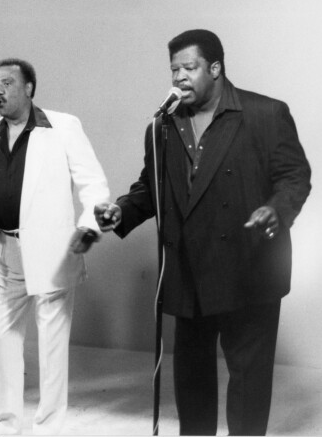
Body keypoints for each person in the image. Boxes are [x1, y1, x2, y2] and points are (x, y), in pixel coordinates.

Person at [95, 29, 311, 436]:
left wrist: (276, 211)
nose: (179, 77)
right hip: (188, 272)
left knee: (248, 383)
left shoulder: (265, 114)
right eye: (174, 69)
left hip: (249, 269)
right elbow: (151, 188)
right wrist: (120, 211)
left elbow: (294, 176)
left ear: (215, 68)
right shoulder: (163, 125)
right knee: (192, 381)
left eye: (189, 68)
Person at [0, 58, 110, 435]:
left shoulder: (63, 127)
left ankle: (48, 427)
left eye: (7, 83)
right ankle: (4, 422)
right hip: (4, 248)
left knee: (51, 345)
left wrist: (89, 225)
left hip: (53, 252)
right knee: (3, 338)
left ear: (29, 88)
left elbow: (93, 184)